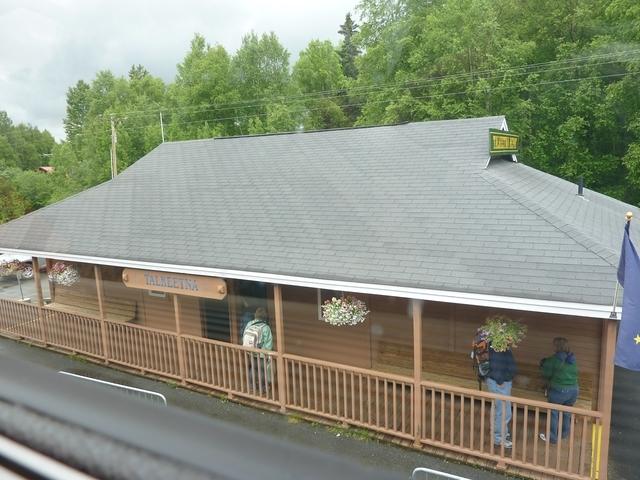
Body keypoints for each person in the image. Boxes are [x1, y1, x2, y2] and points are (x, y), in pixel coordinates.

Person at [539, 337, 579, 443]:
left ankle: (552, 438)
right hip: (574, 390)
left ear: (556, 346)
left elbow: (545, 374)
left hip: (559, 391)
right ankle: (564, 434)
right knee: (567, 412)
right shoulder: (572, 359)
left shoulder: (553, 360)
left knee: (554, 412)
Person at [487, 345, 517, 449]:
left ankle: (499, 433)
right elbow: (496, 364)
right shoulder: (498, 348)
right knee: (504, 411)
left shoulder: (497, 345)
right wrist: (500, 381)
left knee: (497, 408)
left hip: (498, 381)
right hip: (499, 382)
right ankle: (499, 439)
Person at [242, 308, 273, 393]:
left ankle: (252, 386)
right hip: (261, 353)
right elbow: (269, 344)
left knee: (253, 368)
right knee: (262, 371)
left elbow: (244, 336)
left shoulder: (249, 324)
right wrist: (268, 354)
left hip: (251, 351)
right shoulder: (266, 328)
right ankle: (263, 388)